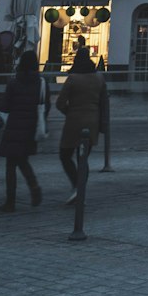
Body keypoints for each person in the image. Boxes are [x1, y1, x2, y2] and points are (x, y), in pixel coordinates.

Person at [0, 49, 46, 213]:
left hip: (14, 126)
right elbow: (45, 105)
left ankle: (11, 201)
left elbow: (5, 106)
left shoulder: (14, 82)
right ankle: (34, 187)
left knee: (12, 164)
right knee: (22, 160)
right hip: (31, 126)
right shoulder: (41, 83)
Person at [55, 44, 107, 203]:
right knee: (83, 158)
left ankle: (76, 186)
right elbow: (104, 102)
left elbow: (60, 102)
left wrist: (69, 111)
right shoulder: (99, 78)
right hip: (92, 122)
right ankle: (81, 189)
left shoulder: (73, 78)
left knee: (65, 155)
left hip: (74, 121)